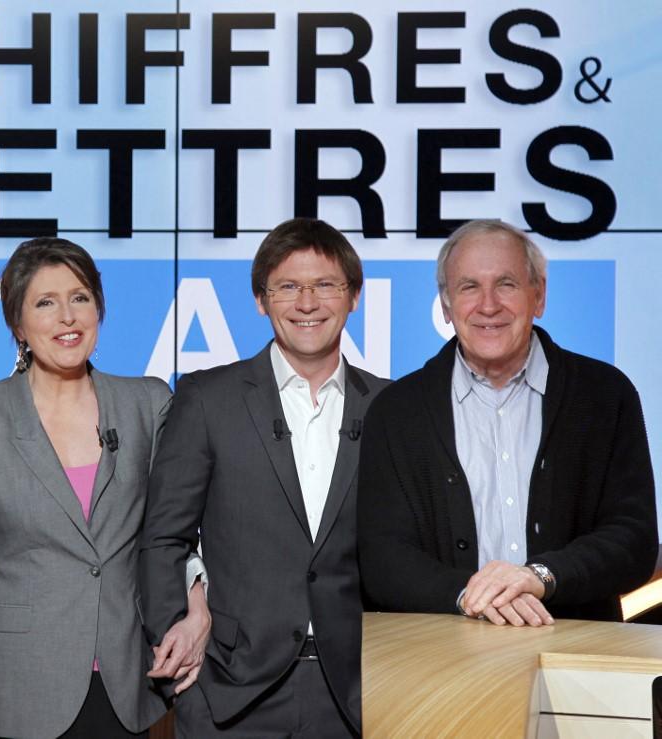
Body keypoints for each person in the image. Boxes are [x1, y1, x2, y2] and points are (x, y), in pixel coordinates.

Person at [0, 237, 209, 739]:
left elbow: (174, 531)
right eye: (45, 303)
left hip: (128, 677)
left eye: (80, 298)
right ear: (18, 325)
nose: (67, 317)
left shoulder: (148, 403)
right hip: (13, 684)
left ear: (99, 308)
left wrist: (198, 607)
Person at [139, 218, 389, 738]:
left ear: (354, 297)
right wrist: (177, 643)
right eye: (288, 287)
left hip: (360, 691)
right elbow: (164, 535)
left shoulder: (393, 405)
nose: (307, 302)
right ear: (260, 300)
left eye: (325, 285)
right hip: (230, 690)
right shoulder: (207, 398)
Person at [358, 219, 657, 626]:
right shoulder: (395, 411)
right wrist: (469, 595)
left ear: (539, 296)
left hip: (576, 657)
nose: (488, 305)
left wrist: (541, 577)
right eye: (468, 287)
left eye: (506, 284)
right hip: (440, 663)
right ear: (446, 306)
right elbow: (382, 559)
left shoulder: (606, 395)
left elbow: (633, 542)